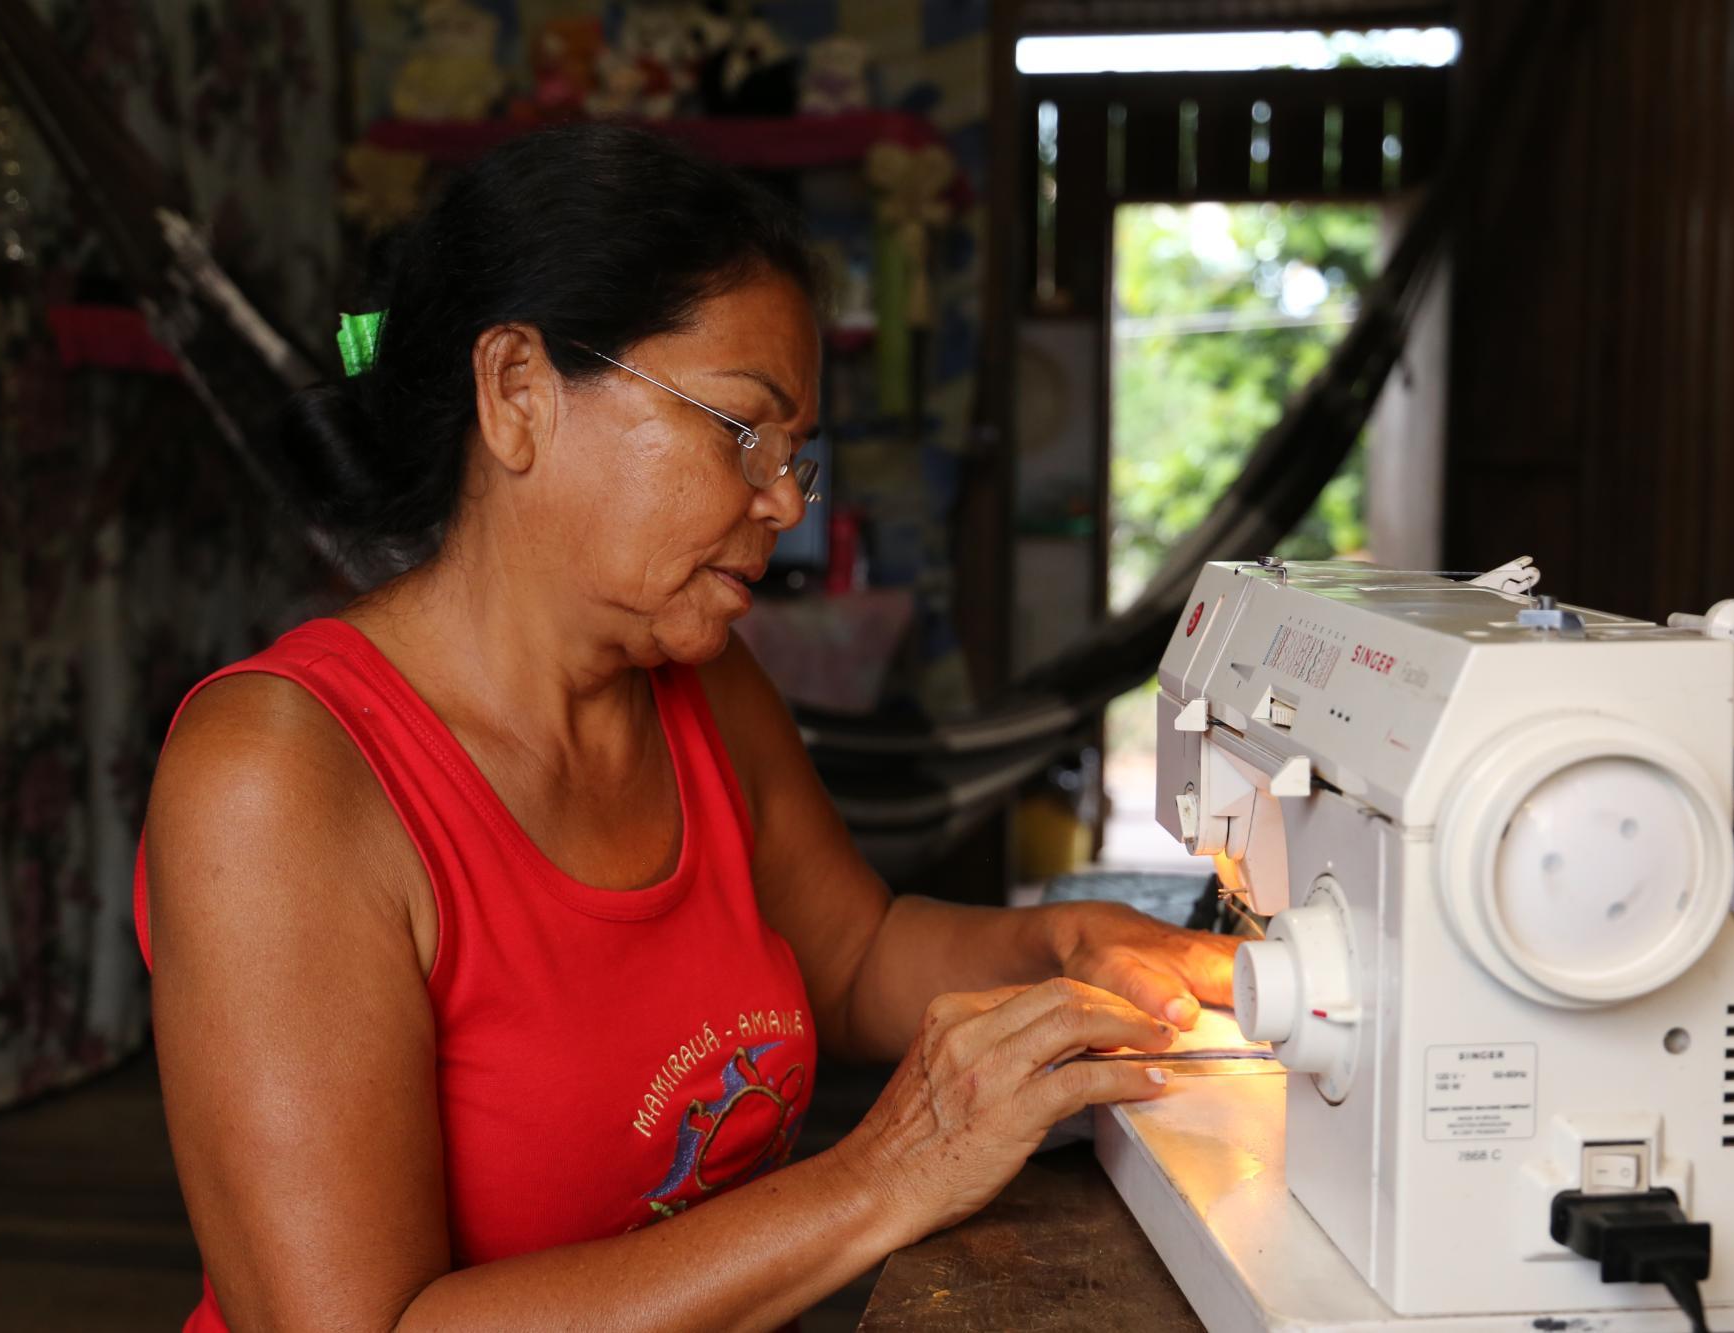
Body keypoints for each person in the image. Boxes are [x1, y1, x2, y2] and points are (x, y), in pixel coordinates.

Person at [138, 123, 1238, 1332]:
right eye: (739, 429)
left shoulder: (699, 686)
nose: (780, 499)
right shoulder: (279, 780)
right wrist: (886, 1174)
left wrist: (1070, 947)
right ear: (516, 393)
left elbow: (859, 955)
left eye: (795, 456)